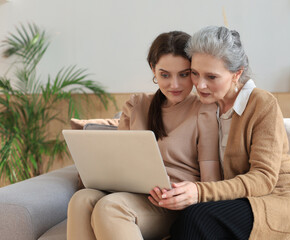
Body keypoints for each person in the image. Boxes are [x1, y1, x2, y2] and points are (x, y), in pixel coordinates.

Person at [149, 26, 290, 240]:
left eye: (211, 77)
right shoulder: (205, 105)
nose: (200, 85)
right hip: (234, 201)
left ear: (236, 74)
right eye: (195, 73)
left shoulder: (261, 103)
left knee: (195, 218)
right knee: (185, 223)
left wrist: (199, 192)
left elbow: (263, 179)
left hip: (280, 199)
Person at [67, 31, 221, 240]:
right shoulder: (137, 105)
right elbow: (117, 160)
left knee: (111, 207)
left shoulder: (205, 110)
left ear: (194, 72)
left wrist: (191, 194)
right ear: (153, 70)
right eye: (165, 75)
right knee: (81, 199)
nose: (174, 85)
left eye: (184, 74)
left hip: (171, 204)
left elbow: (211, 180)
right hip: (130, 193)